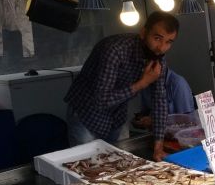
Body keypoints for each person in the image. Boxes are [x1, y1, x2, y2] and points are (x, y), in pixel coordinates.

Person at [64, 11, 179, 161]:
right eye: (157, 38)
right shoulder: (115, 50)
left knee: (121, 163)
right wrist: (142, 83)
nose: (162, 48)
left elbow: (159, 100)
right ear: (143, 33)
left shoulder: (157, 57)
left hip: (117, 116)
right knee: (88, 165)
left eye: (169, 42)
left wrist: (158, 147)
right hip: (86, 114)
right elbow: (101, 101)